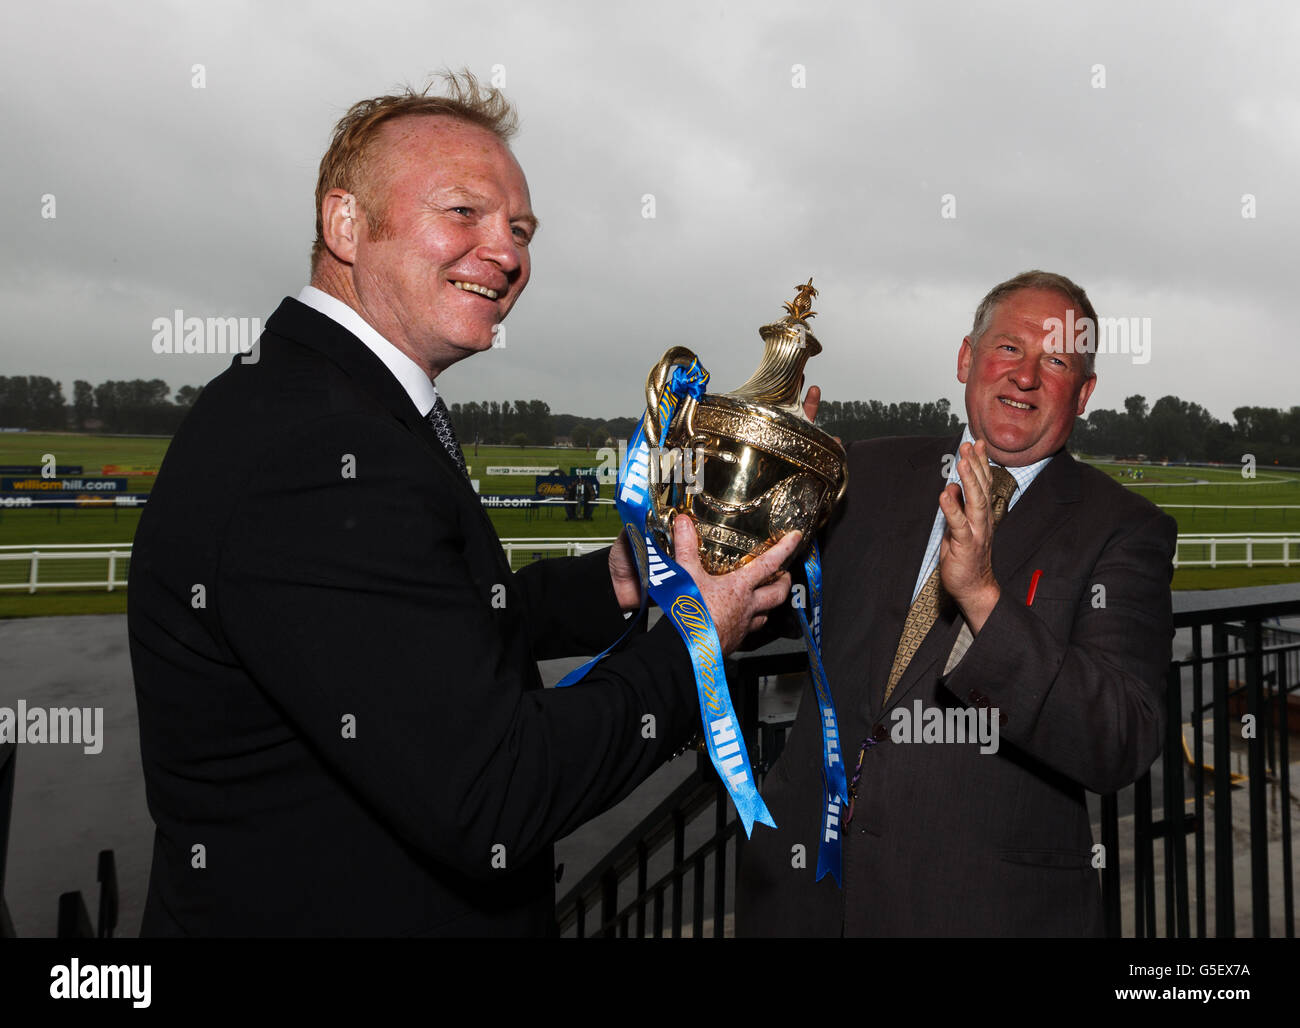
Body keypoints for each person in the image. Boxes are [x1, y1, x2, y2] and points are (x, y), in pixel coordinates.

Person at [128, 74, 798, 937]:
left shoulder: (329, 400)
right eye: (464, 214)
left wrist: (626, 580)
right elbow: (495, 792)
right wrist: (700, 642)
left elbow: (426, 631)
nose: (507, 252)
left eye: (519, 230)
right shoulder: (326, 449)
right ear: (344, 224)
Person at [737, 270, 1177, 936]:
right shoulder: (864, 471)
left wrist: (982, 598)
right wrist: (751, 499)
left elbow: (1120, 738)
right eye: (1008, 348)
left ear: (1083, 394)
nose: (1025, 376)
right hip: (803, 896)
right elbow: (756, 607)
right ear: (967, 358)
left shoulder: (1124, 529)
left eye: (1055, 360)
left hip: (981, 909)